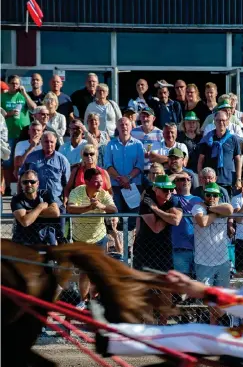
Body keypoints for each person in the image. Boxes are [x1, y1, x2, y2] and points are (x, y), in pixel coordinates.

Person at [100, 216, 243, 367]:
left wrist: (200, 290)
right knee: (190, 334)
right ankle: (117, 336)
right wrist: (191, 286)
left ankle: (112, 340)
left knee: (192, 334)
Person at [67, 167, 117, 302]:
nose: (100, 184)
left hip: (99, 238)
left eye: (101, 181)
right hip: (80, 240)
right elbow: (70, 208)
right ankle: (84, 301)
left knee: (98, 272)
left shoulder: (104, 194)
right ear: (86, 181)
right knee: (84, 272)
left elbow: (114, 209)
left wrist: (102, 206)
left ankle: (94, 300)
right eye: (96, 182)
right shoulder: (76, 192)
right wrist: (89, 208)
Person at [191, 182, 233, 324]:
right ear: (204, 195)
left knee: (221, 297)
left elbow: (230, 210)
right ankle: (212, 325)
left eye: (215, 195)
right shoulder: (197, 207)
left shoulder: (221, 206)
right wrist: (215, 213)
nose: (212, 197)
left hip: (222, 260)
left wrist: (210, 209)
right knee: (207, 299)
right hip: (203, 261)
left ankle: (215, 327)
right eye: (209, 195)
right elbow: (202, 222)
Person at [133, 174, 182, 273]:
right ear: (156, 189)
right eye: (165, 190)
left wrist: (156, 209)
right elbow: (156, 228)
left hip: (164, 248)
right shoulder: (147, 202)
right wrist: (168, 215)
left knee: (164, 282)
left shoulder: (174, 200)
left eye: (171, 189)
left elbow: (176, 220)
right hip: (145, 247)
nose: (168, 192)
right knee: (144, 283)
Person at [103, 117, 145, 230]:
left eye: (126, 124)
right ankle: (119, 246)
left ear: (131, 127)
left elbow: (140, 165)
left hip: (134, 187)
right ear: (117, 127)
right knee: (117, 220)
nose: (124, 127)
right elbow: (107, 165)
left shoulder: (138, 145)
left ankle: (131, 247)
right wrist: (121, 179)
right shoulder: (110, 145)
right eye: (121, 124)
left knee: (133, 220)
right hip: (116, 187)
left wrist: (128, 178)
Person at [198, 110, 242, 198]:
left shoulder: (233, 139)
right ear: (214, 121)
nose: (221, 122)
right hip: (209, 181)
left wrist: (238, 179)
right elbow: (200, 160)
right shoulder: (207, 139)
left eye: (223, 120)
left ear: (227, 121)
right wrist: (200, 177)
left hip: (227, 180)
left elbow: (238, 160)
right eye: (218, 120)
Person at [11, 169, 60, 246]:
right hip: (24, 241)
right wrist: (40, 207)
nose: (29, 184)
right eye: (25, 182)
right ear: (21, 184)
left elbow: (55, 212)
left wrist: (29, 213)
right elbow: (25, 222)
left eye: (32, 182)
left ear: (38, 183)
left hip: (45, 239)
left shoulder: (46, 194)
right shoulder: (17, 199)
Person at [1, 75, 32, 192]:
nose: (15, 85)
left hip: (23, 134)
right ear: (8, 84)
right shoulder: (2, 97)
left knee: (22, 161)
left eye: (17, 83)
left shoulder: (23, 96)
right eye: (12, 83)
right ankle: (8, 187)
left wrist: (25, 94)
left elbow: (33, 108)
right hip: (8, 134)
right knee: (8, 162)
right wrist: (8, 114)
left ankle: (21, 187)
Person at [171, 172, 201, 275]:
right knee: (182, 283)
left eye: (188, 179)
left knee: (199, 283)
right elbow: (156, 187)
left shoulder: (198, 200)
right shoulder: (172, 198)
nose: (186, 181)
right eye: (182, 179)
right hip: (180, 247)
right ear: (176, 182)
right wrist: (175, 175)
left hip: (199, 248)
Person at [131, 106, 163, 173]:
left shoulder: (160, 133)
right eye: (143, 116)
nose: (145, 119)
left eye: (147, 116)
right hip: (135, 169)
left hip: (153, 171)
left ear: (153, 118)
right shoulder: (133, 132)